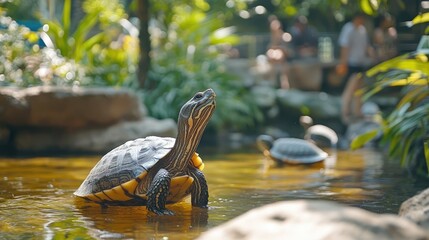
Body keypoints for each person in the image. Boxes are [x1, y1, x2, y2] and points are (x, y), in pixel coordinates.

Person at [337, 13, 375, 124]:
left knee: (359, 90)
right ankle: (344, 113)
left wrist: (372, 55)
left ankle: (357, 112)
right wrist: (343, 64)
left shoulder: (362, 30)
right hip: (351, 64)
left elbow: (366, 46)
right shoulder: (348, 29)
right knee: (350, 90)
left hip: (361, 64)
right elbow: (344, 47)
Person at [266, 15, 290, 89]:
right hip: (274, 63)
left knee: (283, 74)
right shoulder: (272, 38)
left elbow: (287, 49)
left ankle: (285, 86)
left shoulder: (285, 36)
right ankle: (272, 84)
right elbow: (269, 48)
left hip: (284, 60)